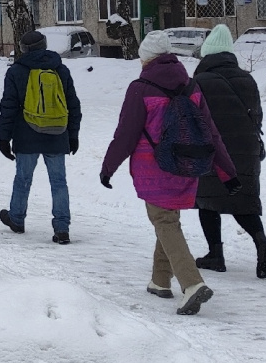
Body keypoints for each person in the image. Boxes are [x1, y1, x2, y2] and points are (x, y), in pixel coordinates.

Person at [100, 30, 238, 315]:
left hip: (155, 168)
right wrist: (228, 173)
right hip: (189, 165)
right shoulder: (191, 86)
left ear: (146, 58)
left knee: (164, 220)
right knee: (168, 219)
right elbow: (211, 133)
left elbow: (126, 135)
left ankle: (191, 284)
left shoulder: (140, 88)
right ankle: (160, 280)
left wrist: (108, 167)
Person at [191, 25, 266, 279]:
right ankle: (262, 243)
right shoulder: (247, 79)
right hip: (246, 149)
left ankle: (215, 254)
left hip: (212, 150)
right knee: (244, 200)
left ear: (207, 54)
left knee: (207, 200)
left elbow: (193, 118)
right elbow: (257, 117)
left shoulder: (200, 81)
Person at [0, 30, 82, 244]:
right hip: (57, 133)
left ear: (23, 49)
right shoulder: (60, 69)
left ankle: (16, 218)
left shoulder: (16, 71)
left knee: (23, 179)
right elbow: (73, 104)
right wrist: (73, 134)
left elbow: (8, 106)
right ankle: (62, 228)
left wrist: (3, 138)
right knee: (59, 182)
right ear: (45, 45)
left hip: (26, 134)